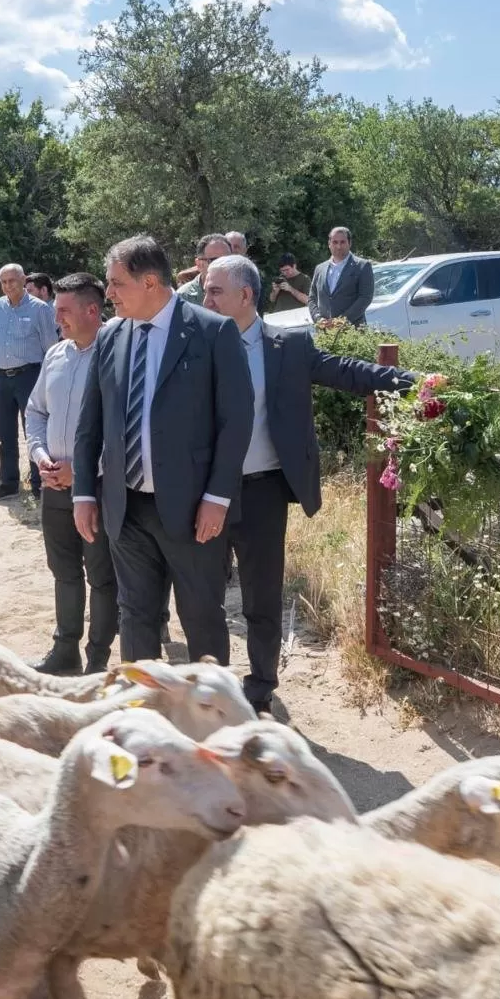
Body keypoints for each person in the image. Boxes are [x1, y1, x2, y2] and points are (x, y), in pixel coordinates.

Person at [201, 254, 416, 710]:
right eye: (204, 290)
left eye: (214, 290)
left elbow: (344, 371)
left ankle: (259, 687)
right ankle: (213, 692)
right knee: (204, 597)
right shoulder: (196, 344)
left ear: (246, 295)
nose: (205, 299)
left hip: (261, 492)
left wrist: (410, 381)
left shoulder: (288, 346)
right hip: (205, 493)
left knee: (262, 595)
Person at [72, 234, 253, 667]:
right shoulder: (111, 337)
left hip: (193, 512)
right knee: (135, 616)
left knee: (202, 620)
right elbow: (90, 422)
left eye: (116, 284)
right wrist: (83, 493)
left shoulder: (212, 332)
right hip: (125, 507)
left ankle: (211, 719)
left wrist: (217, 497)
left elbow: (236, 421)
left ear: (150, 281)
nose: (108, 293)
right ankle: (144, 717)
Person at [28, 273, 118, 676]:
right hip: (54, 486)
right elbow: (36, 410)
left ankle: (97, 659)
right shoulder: (56, 356)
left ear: (92, 310)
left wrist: (81, 470)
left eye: (63, 310)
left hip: (96, 488)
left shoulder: (116, 357)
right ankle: (65, 650)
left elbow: (124, 429)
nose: (56, 318)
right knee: (63, 571)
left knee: (101, 577)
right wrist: (40, 454)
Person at [0, 263, 57, 500]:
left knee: (34, 432)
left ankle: (37, 484)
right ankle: (9, 483)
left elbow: (51, 349)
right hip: (2, 379)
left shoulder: (40, 309)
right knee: (5, 433)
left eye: (12, 280)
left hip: (29, 377)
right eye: (3, 282)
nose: (8, 286)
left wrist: (48, 383)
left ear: (23, 280)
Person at [308, 226, 374, 325]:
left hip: (352, 331)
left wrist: (342, 320)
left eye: (342, 242)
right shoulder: (320, 269)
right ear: (329, 244)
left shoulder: (362, 266)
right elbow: (312, 298)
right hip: (325, 332)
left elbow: (365, 298)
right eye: (335, 242)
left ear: (349, 243)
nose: (339, 246)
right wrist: (318, 318)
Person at [178, 234, 232, 307]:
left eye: (229, 260)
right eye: (215, 261)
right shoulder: (183, 298)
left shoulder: (241, 293)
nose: (224, 266)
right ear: (199, 265)